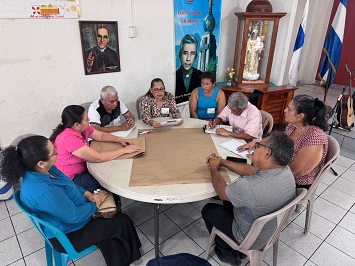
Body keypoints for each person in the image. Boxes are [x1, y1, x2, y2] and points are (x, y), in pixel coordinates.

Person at [0, 135, 141, 266]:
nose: (58, 152)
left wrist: (88, 195)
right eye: (54, 151)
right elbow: (74, 216)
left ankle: (125, 257)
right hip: (68, 234)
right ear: (41, 163)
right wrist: (95, 203)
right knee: (120, 221)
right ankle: (130, 256)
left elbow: (70, 184)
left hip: (71, 216)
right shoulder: (43, 191)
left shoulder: (45, 170)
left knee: (112, 221)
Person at [202, 132, 296, 265]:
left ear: (267, 153)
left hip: (250, 237)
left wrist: (213, 169)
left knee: (208, 209)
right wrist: (222, 162)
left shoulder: (249, 186)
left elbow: (222, 192)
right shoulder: (284, 170)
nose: (253, 148)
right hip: (271, 229)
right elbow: (251, 171)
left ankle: (227, 252)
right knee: (228, 202)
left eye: (258, 145)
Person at [239, 95, 329, 189]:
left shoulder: (315, 138)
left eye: (289, 109)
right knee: (243, 169)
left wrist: (261, 165)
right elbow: (278, 144)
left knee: (245, 180)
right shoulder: (292, 126)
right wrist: (258, 145)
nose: (285, 110)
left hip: (294, 183)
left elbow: (295, 171)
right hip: (279, 169)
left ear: (300, 116)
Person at [49, 105, 140, 193]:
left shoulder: (82, 128)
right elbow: (98, 158)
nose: (89, 120)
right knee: (107, 183)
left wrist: (120, 140)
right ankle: (115, 204)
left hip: (84, 167)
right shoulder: (68, 138)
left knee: (109, 170)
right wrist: (124, 150)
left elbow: (100, 135)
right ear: (76, 125)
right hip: (72, 178)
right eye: (86, 119)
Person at [175, 34, 203, 104]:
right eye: (185, 53)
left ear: (196, 56)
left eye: (192, 53)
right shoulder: (173, 77)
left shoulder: (202, 76)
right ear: (180, 55)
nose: (188, 58)